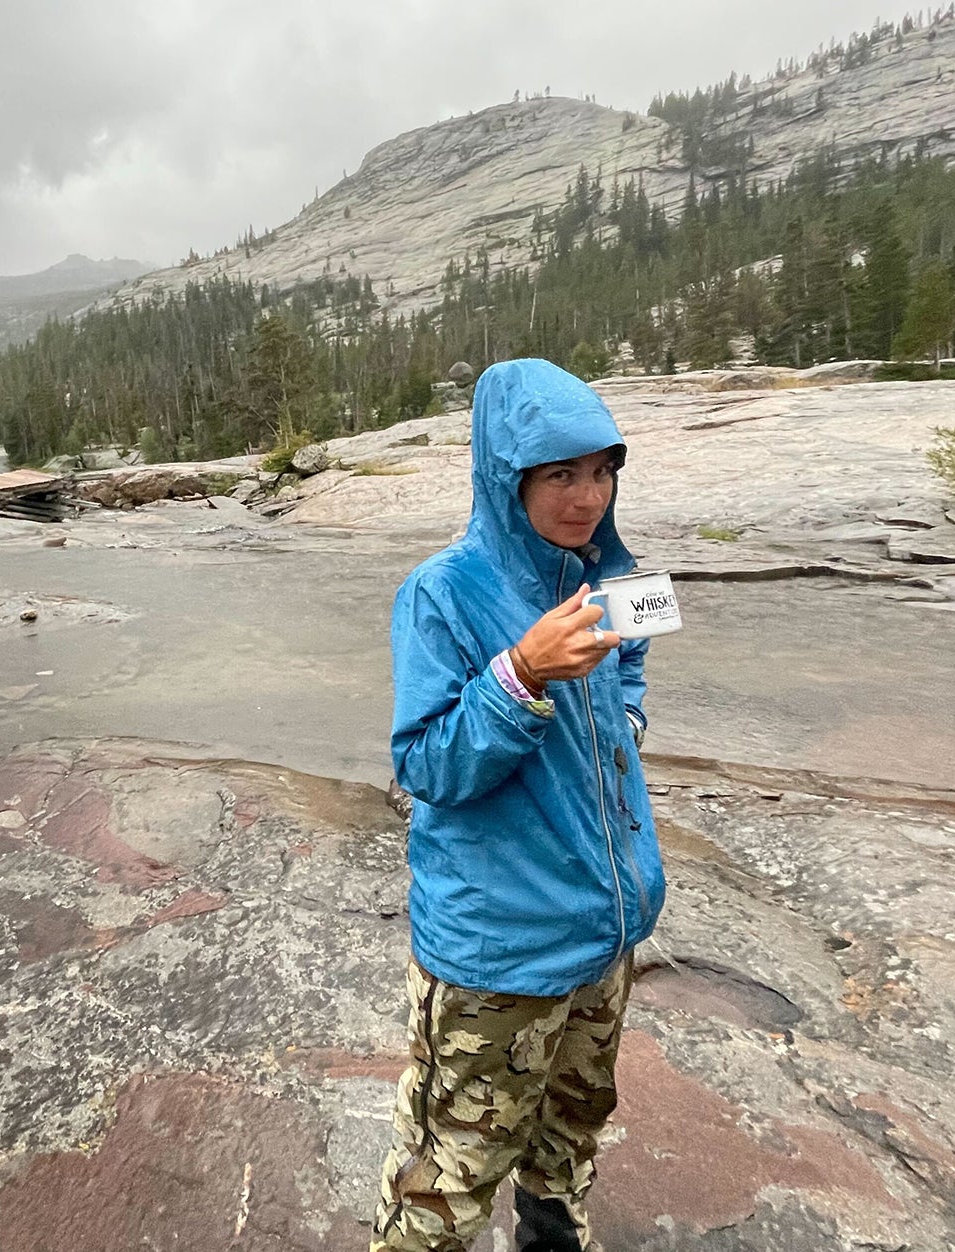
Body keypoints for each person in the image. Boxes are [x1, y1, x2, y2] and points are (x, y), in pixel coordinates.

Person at [371, 358, 665, 1252]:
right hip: (498, 948)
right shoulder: (443, 592)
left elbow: (634, 662)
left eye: (602, 470)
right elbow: (424, 764)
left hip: (603, 932)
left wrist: (626, 717)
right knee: (451, 1169)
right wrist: (521, 674)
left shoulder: (608, 573)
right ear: (510, 478)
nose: (587, 495)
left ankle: (552, 1237)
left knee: (571, 1130)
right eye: (559, 474)